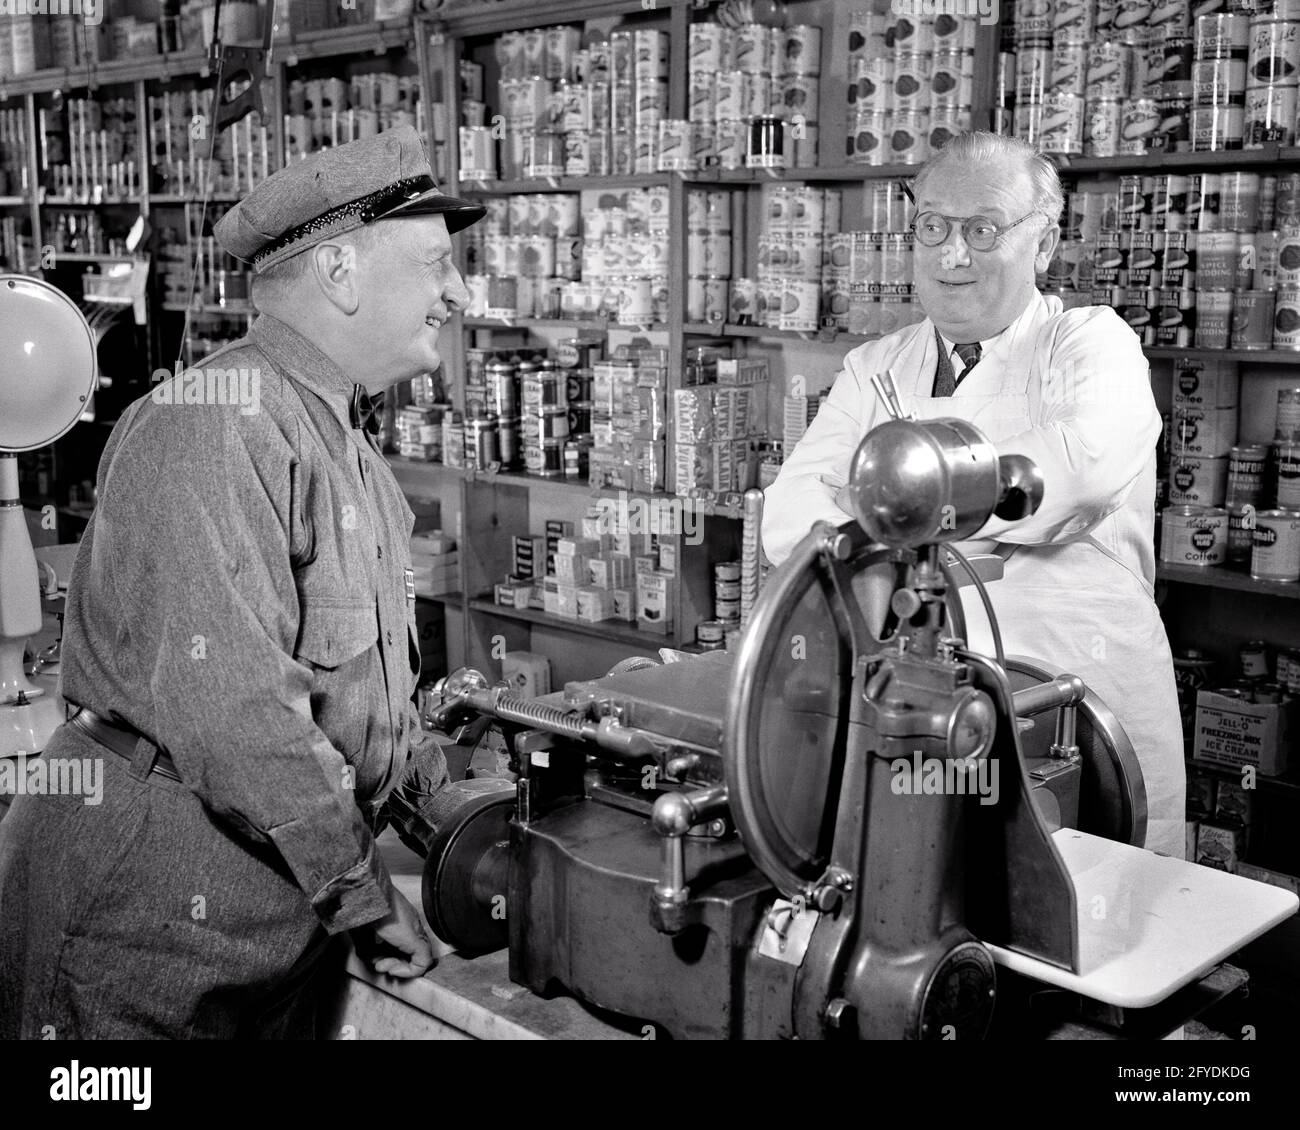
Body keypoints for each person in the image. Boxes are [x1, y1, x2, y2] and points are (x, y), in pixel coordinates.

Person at [0, 126, 496, 1038]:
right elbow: (236, 716)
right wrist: (362, 893)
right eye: (437, 265)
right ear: (340, 272)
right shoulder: (216, 428)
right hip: (139, 927)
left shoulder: (342, 442)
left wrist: (459, 816)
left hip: (267, 930)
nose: (459, 293)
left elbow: (360, 700)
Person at [762, 131, 1184, 858]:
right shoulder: (875, 366)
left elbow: (1072, 476)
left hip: (1076, 697)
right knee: (927, 895)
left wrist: (887, 505)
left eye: (982, 229)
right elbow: (791, 519)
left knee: (1088, 919)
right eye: (932, 226)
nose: (952, 255)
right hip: (918, 694)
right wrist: (983, 520)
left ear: (1043, 245)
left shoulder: (1088, 344)